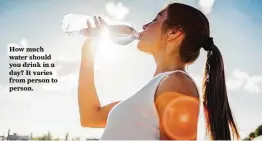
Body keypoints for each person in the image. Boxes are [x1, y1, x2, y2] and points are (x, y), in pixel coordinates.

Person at [78, 2, 240, 140]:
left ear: (174, 32)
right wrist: (88, 53)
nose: (144, 26)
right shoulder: (153, 90)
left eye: (156, 19)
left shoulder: (177, 83)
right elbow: (90, 117)